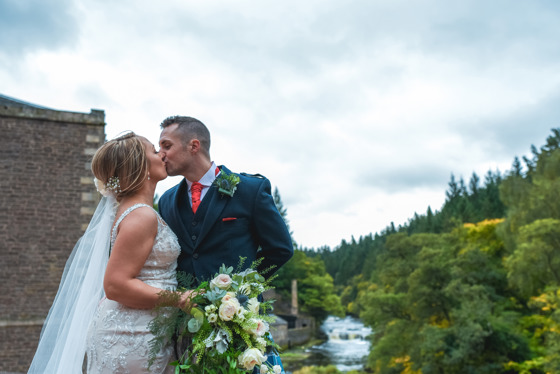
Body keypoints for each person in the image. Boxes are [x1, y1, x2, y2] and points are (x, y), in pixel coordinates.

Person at [28, 132, 190, 374]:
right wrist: (179, 298)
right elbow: (115, 285)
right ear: (140, 167)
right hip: (132, 335)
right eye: (155, 152)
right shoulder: (141, 216)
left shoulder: (132, 210)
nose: (162, 155)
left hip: (141, 328)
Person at [157, 116, 294, 371]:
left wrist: (243, 289)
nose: (160, 154)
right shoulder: (166, 201)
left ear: (194, 146)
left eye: (166, 145)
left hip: (241, 324)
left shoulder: (250, 189)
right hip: (187, 327)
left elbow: (281, 249)